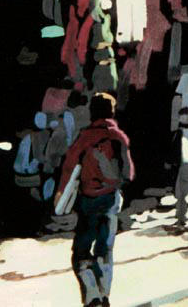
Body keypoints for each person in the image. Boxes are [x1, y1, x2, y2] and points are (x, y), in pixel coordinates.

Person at [54, 93, 134, 307]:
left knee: (80, 251)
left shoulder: (84, 137)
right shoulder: (119, 137)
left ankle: (91, 295)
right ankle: (104, 294)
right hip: (111, 199)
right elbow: (128, 174)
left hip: (88, 201)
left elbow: (69, 167)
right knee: (105, 250)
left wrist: (61, 193)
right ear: (112, 112)